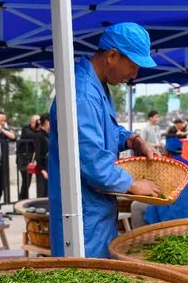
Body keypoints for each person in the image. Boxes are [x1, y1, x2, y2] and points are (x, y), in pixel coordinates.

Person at [49, 22, 160, 258]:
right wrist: (132, 184)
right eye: (133, 67)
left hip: (96, 211)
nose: (134, 75)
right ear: (112, 55)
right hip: (82, 214)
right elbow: (92, 161)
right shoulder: (82, 95)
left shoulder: (96, 86)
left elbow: (106, 131)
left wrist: (132, 140)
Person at [143, 137, 188, 224]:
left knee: (137, 207)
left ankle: (142, 236)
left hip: (171, 219)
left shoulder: (164, 168)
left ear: (167, 152)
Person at [17, 114, 40, 200]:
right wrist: (38, 129)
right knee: (26, 181)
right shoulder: (26, 129)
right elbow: (32, 135)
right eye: (37, 121)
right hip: (23, 159)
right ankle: (21, 201)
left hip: (32, 159)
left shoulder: (39, 130)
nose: (38, 123)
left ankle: (23, 200)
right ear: (32, 122)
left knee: (28, 182)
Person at [34, 113, 51, 197]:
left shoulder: (50, 135)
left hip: (49, 166)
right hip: (43, 168)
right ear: (46, 122)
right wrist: (42, 170)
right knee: (43, 191)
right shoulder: (39, 135)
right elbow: (38, 154)